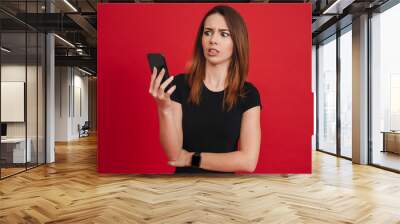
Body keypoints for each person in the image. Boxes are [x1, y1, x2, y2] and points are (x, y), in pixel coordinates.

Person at [148, 5, 262, 174]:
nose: (213, 40)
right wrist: (164, 108)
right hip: (183, 189)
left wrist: (190, 158)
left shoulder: (248, 94)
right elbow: (173, 155)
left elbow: (248, 161)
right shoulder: (179, 85)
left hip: (225, 192)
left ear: (237, 42)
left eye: (223, 34)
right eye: (208, 32)